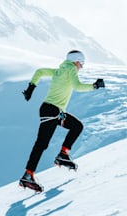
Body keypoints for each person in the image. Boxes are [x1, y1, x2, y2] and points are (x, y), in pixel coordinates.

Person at [19, 49, 105, 192]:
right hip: (51, 111)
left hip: (55, 111)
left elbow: (40, 71)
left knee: (76, 126)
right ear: (76, 61)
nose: (81, 67)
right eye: (81, 64)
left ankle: (63, 155)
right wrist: (94, 86)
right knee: (41, 144)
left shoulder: (59, 70)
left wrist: (30, 88)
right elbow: (77, 86)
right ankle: (28, 175)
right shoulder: (70, 68)